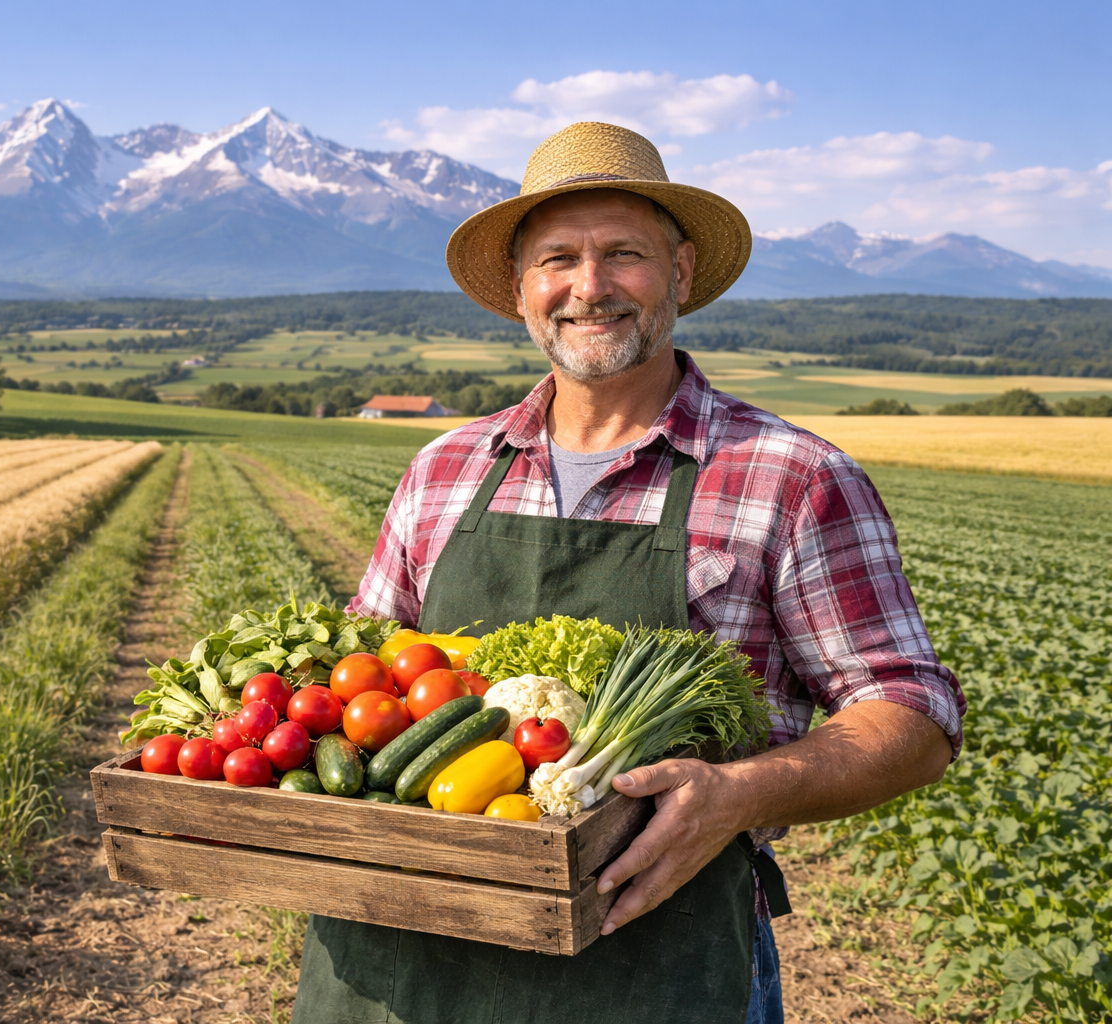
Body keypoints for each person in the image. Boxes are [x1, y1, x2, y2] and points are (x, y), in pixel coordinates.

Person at [291, 122, 967, 1024]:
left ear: (681, 273)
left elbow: (914, 715)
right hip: (406, 957)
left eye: (624, 255)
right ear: (523, 291)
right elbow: (360, 684)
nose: (590, 287)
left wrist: (739, 793)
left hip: (654, 965)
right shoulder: (443, 470)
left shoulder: (791, 475)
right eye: (558, 259)